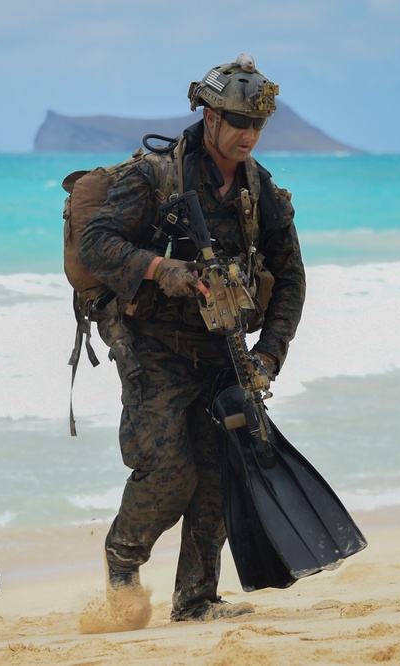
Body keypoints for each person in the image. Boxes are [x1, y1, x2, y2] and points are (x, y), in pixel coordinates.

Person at [78, 54, 306, 623]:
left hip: (222, 350)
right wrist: (163, 270)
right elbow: (97, 246)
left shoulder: (262, 192)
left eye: (258, 125)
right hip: (153, 345)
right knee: (169, 471)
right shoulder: (154, 177)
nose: (249, 135)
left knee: (220, 474)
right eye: (238, 122)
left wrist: (268, 357)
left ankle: (196, 599)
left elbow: (293, 278)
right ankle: (123, 560)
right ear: (209, 118)